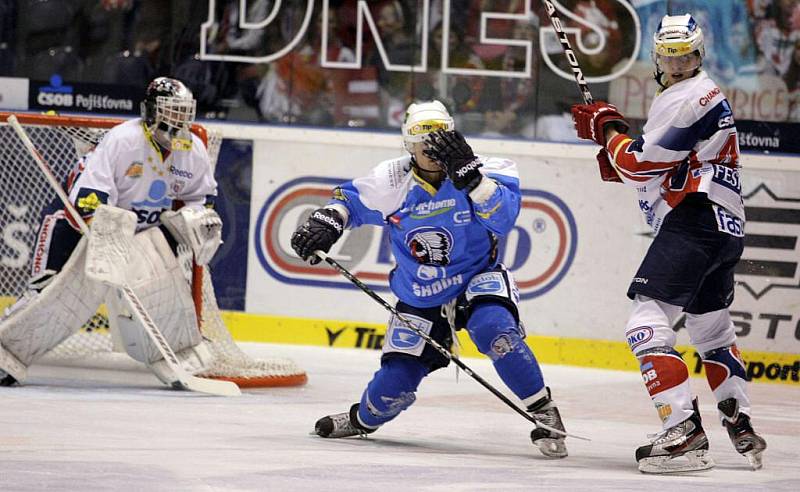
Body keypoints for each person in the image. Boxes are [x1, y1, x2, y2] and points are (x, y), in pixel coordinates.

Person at [290, 100, 569, 458]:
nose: (433, 152)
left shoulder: (489, 168)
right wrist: (325, 223)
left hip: (476, 278)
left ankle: (543, 411)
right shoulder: (392, 179)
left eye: (439, 143)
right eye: (424, 145)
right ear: (409, 146)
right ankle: (363, 419)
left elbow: (503, 219)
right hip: (420, 295)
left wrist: (473, 180)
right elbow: (348, 202)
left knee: (495, 332)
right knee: (393, 387)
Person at [571, 14, 767, 473]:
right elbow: (655, 166)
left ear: (700, 55)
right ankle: (740, 423)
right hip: (724, 227)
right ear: (659, 56)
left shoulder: (689, 97)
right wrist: (620, 151)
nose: (677, 65)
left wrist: (610, 132)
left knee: (645, 322)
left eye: (686, 57)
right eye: (669, 57)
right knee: (712, 331)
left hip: (696, 221)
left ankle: (683, 433)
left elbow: (640, 164)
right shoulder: (691, 95)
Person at [0, 77, 222, 388]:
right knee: (53, 295)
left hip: (141, 231)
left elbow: (203, 196)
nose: (178, 120)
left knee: (162, 292)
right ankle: (5, 353)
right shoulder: (123, 140)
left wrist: (194, 219)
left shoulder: (192, 150)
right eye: (170, 112)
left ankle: (178, 358)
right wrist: (104, 231)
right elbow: (89, 196)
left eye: (183, 112)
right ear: (150, 111)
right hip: (78, 224)